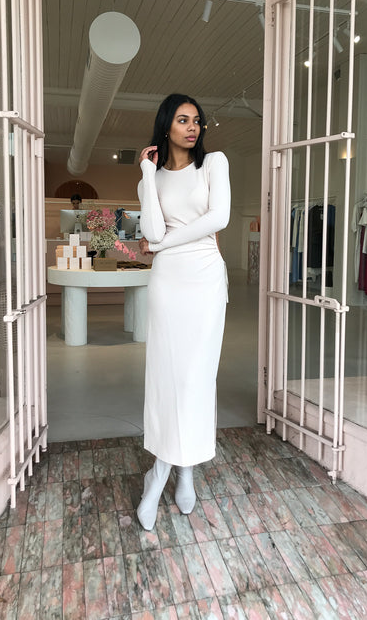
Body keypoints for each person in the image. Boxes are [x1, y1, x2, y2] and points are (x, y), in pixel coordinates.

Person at [136, 93, 230, 530]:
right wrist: (145, 173)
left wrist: (161, 245)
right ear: (166, 126)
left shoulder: (214, 164)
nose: (192, 127)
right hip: (168, 282)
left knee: (196, 379)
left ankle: (179, 470)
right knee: (166, 378)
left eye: (197, 120)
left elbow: (219, 218)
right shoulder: (152, 178)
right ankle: (162, 474)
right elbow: (152, 229)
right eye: (182, 120)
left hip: (205, 278)